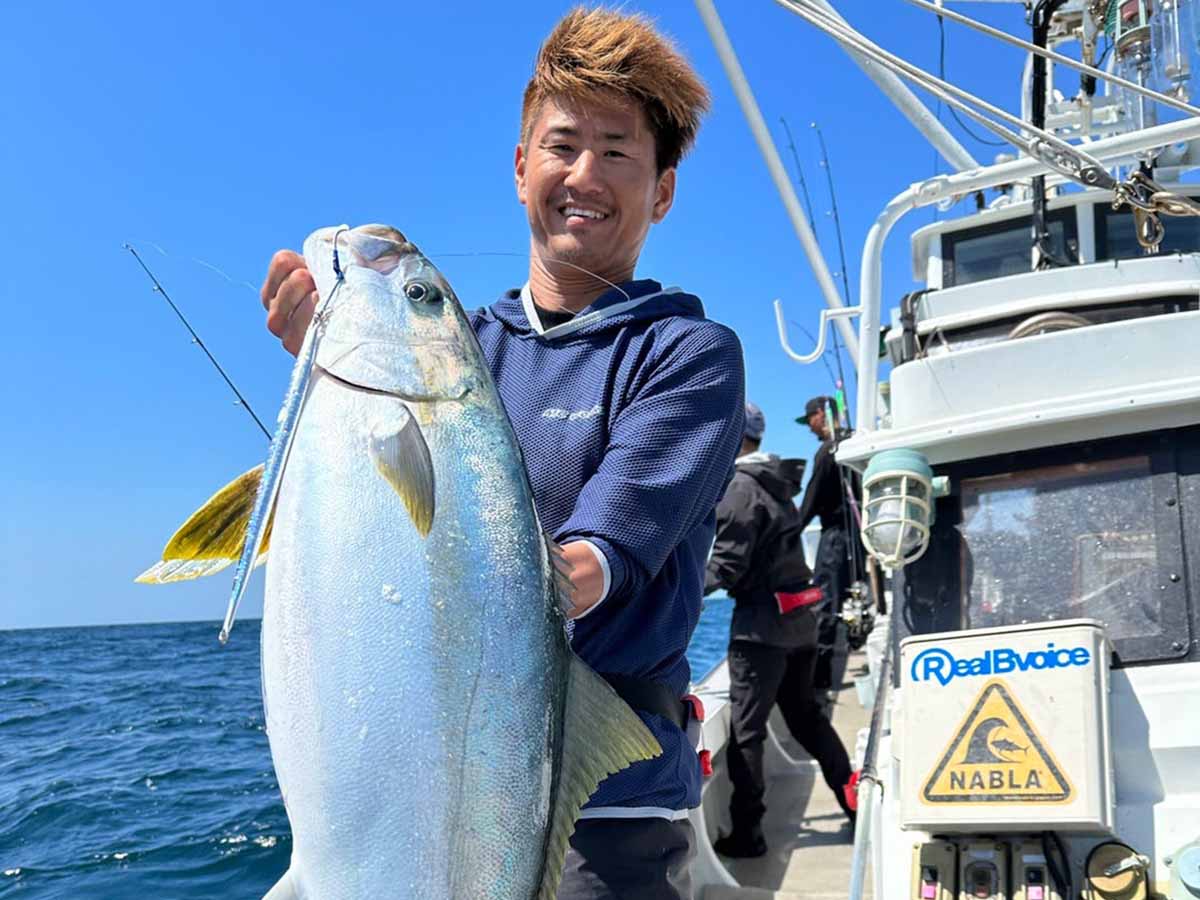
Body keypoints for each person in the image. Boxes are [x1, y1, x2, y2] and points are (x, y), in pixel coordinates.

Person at [259, 8, 745, 898]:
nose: (584, 174)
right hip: (426, 760)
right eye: (562, 144)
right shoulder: (454, 348)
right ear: (521, 167)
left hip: (614, 811)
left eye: (617, 150)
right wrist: (323, 378)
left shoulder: (686, 354)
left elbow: (612, 543)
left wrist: (560, 575)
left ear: (663, 191)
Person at [704, 402, 854, 858]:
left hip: (761, 631)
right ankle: (855, 800)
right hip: (800, 625)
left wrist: (675, 591)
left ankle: (748, 834)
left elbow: (727, 566)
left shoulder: (740, 490)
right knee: (807, 718)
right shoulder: (777, 484)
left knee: (747, 733)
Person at [797, 395, 856, 695]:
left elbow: (809, 503)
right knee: (845, 601)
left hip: (834, 539)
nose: (809, 427)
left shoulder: (826, 453)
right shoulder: (855, 444)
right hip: (856, 539)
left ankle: (819, 681)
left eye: (809, 419)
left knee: (824, 604)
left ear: (821, 414)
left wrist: (783, 534)